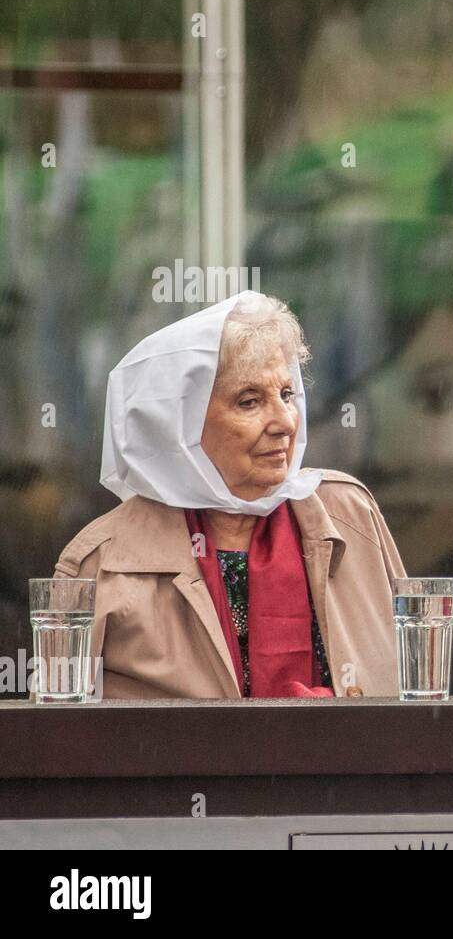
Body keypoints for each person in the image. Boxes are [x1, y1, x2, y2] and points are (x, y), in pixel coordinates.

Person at [54, 291, 405, 699]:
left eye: (287, 395)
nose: (284, 422)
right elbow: (56, 741)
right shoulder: (102, 564)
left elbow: (417, 693)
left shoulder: (349, 513)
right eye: (250, 401)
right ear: (179, 425)